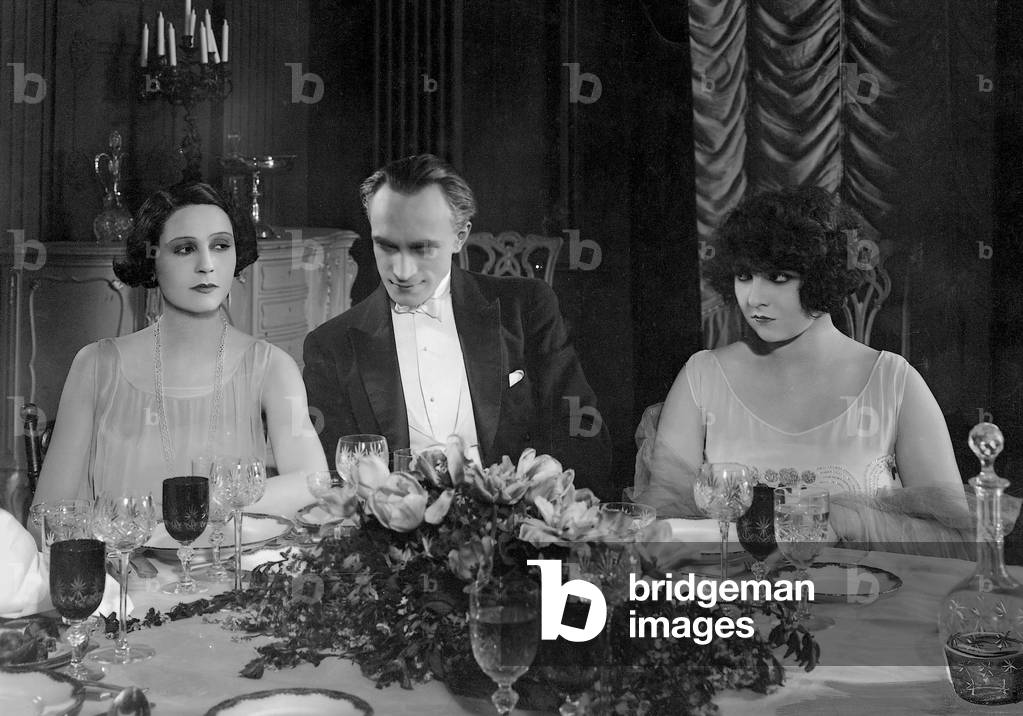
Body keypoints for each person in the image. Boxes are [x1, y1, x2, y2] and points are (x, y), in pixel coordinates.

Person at [638, 186, 975, 554]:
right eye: (744, 275)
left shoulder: (894, 382)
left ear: (822, 277)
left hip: (863, 589)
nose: (755, 298)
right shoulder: (702, 377)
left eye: (779, 278)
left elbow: (956, 540)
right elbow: (663, 530)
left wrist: (845, 521)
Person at [303, 154, 612, 498]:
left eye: (422, 248)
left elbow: (583, 432)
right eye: (386, 246)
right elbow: (335, 478)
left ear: (460, 236)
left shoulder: (527, 307)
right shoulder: (330, 345)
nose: (402, 271)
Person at [32, 182, 327, 507]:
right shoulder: (96, 365)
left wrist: (207, 511)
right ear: (152, 261)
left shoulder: (271, 367)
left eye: (220, 245)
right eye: (185, 249)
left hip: (229, 542)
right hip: (119, 543)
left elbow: (313, 485)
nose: (206, 264)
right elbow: (46, 515)